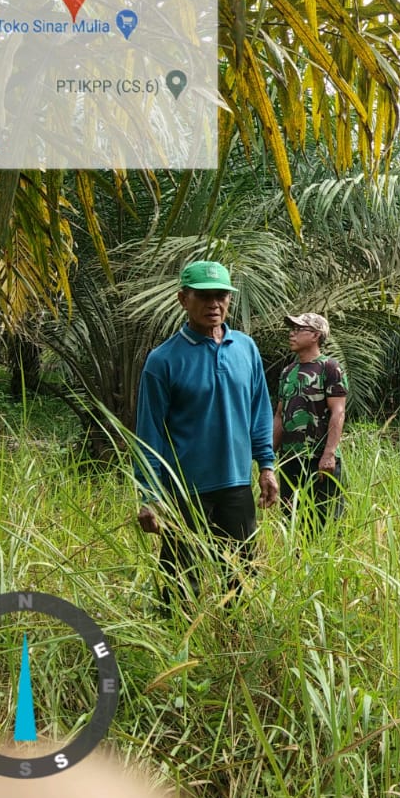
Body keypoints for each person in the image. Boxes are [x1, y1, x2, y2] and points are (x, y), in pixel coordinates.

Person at [134, 260, 279, 609]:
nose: (214, 304)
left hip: (235, 485)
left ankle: (234, 646)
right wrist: (148, 495)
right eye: (204, 296)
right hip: (184, 490)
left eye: (221, 295)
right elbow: (148, 432)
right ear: (184, 299)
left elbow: (259, 410)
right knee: (182, 579)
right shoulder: (163, 360)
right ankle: (176, 647)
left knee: (242, 576)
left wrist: (266, 465)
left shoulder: (246, 348)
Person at [273, 312, 348, 519]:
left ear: (315, 335)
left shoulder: (329, 368)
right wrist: (270, 454)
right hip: (290, 458)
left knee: (325, 520)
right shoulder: (288, 371)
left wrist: (329, 454)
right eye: (292, 329)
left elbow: (338, 411)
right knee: (292, 519)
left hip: (318, 458)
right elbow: (280, 414)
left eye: (298, 329)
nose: (292, 334)